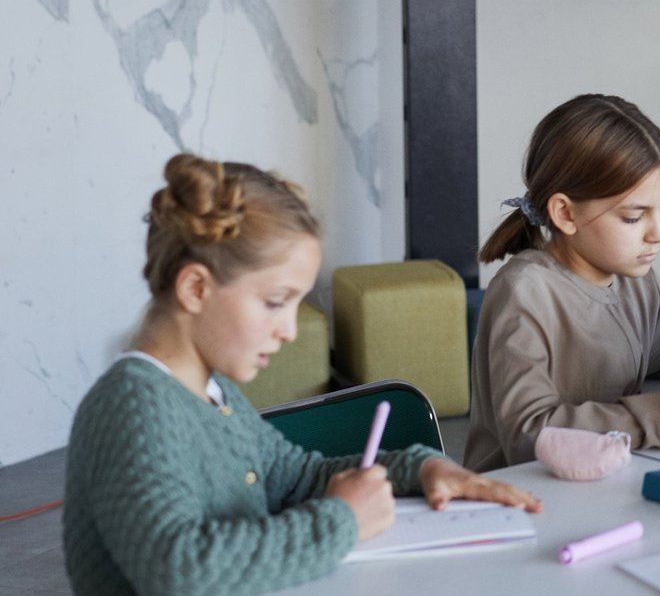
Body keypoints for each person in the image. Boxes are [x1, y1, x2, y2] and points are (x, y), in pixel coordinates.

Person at [65, 154, 537, 596]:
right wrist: (341, 520)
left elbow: (296, 477)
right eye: (275, 302)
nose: (289, 330)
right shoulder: (133, 407)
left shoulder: (212, 391)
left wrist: (422, 467)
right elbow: (180, 570)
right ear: (195, 288)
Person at [465, 94, 660, 470]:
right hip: (520, 505)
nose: (658, 233)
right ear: (564, 213)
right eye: (633, 217)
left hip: (604, 494)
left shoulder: (638, 287)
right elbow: (531, 437)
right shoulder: (524, 294)